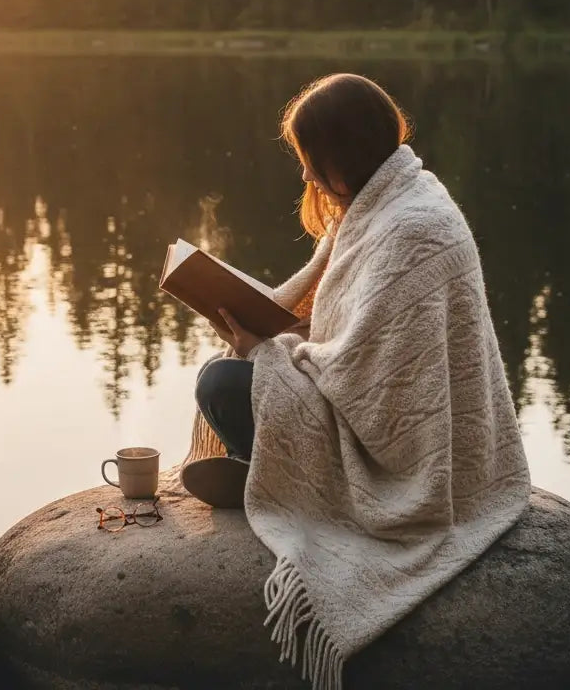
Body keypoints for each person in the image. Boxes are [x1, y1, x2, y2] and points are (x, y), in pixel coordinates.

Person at [178, 73, 530, 690]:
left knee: (223, 384)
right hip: (365, 407)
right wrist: (271, 336)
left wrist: (268, 351)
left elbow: (376, 392)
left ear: (343, 153)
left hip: (400, 456)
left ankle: (270, 474)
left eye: (312, 161)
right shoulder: (394, 198)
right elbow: (354, 337)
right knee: (234, 373)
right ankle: (259, 467)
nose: (307, 176)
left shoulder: (411, 230)